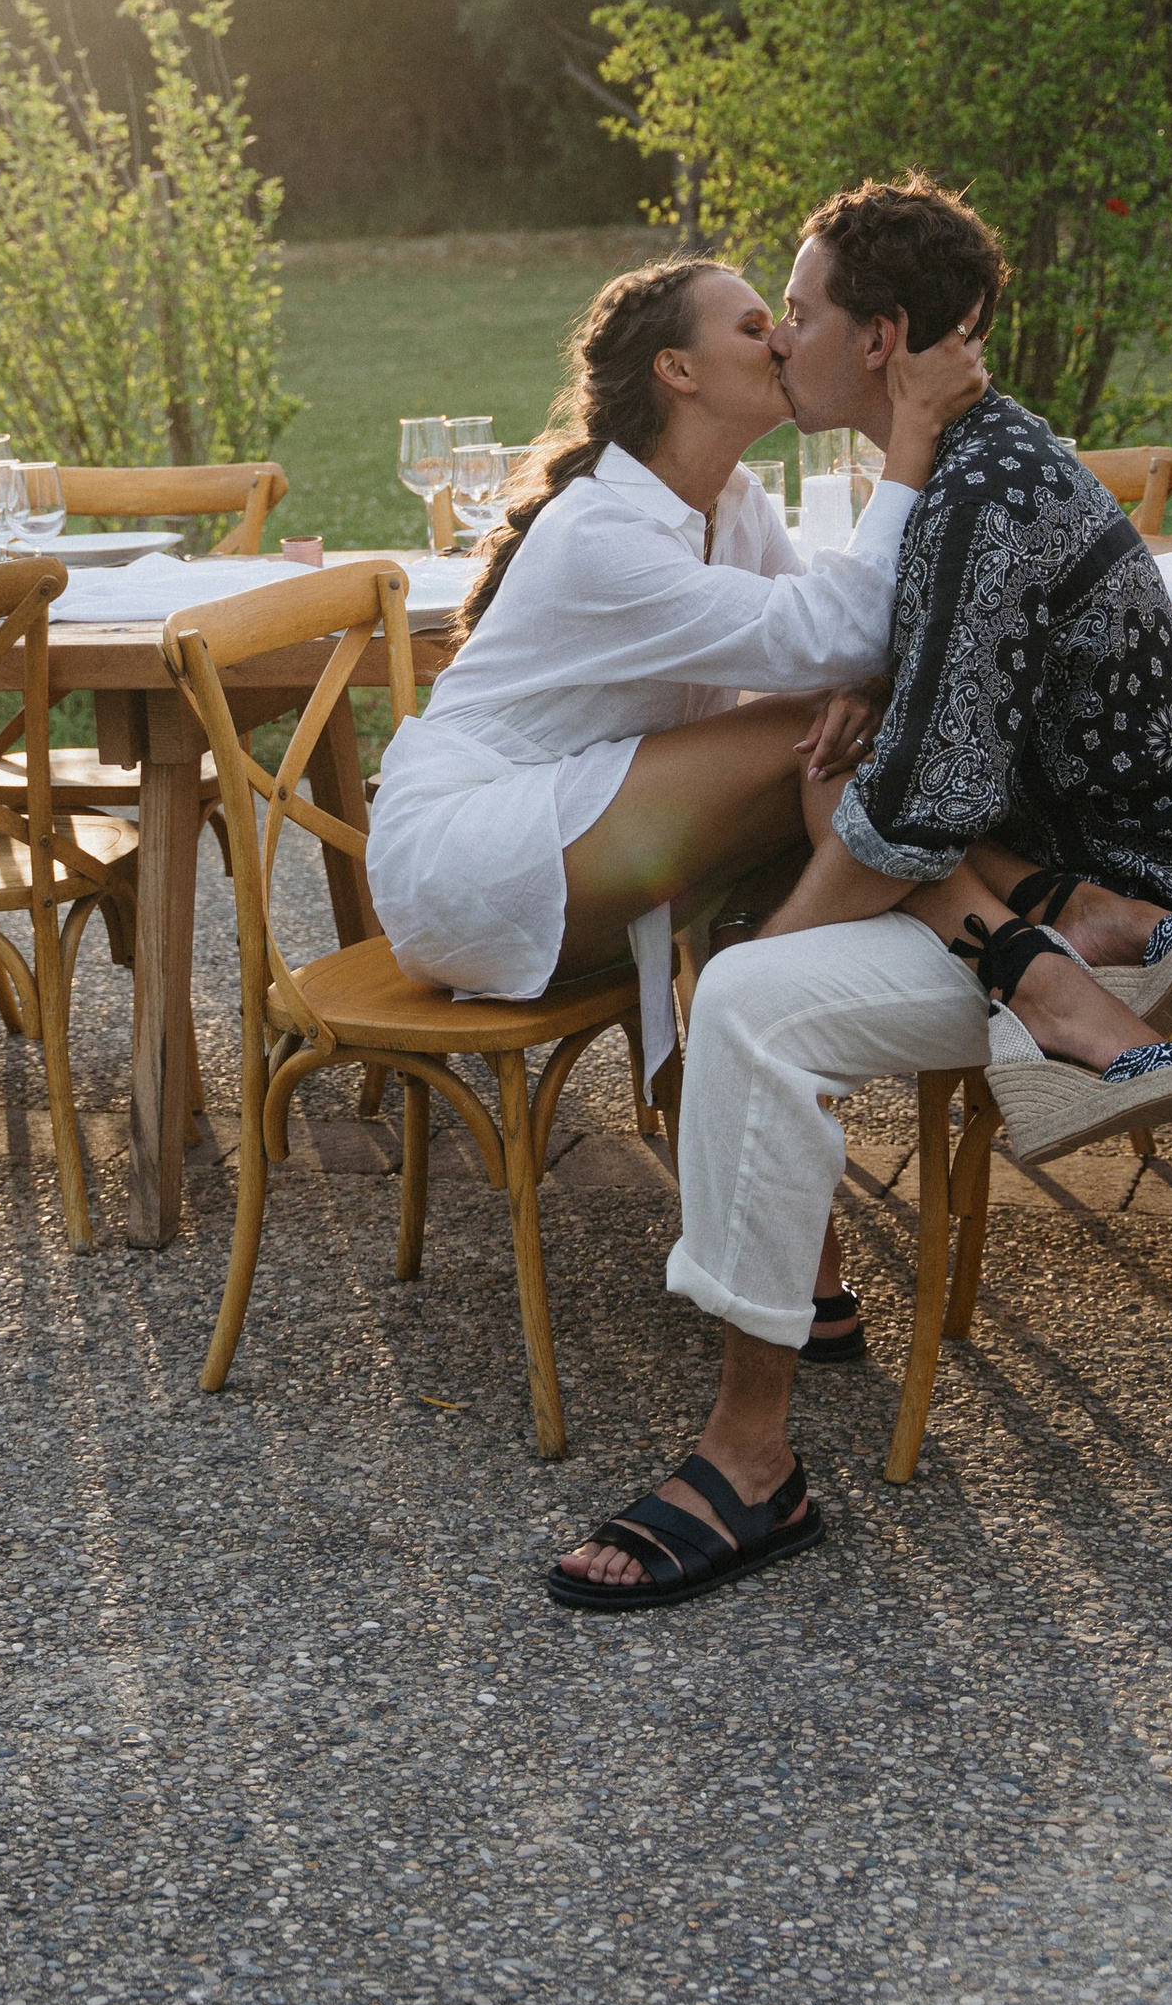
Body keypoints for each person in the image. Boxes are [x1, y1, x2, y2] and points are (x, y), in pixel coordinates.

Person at [548, 176, 1172, 1617]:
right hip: (1068, 875)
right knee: (779, 883)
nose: (781, 336)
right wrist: (875, 687)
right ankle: (837, 1262)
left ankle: (748, 1458)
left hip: (1160, 914)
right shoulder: (973, 461)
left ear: (879, 339)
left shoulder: (978, 492)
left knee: (748, 993)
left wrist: (790, 922)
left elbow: (918, 813)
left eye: (800, 311)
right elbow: (925, 740)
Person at [365, 246, 985, 1372]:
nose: (783, 339)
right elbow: (841, 636)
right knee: (813, 745)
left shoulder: (728, 501)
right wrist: (909, 438)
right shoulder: (601, 533)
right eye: (753, 326)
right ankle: (1012, 944)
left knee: (800, 807)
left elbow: (841, 647)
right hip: (469, 858)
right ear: (678, 371)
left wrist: (846, 677)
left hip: (588, 831)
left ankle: (803, 1272)